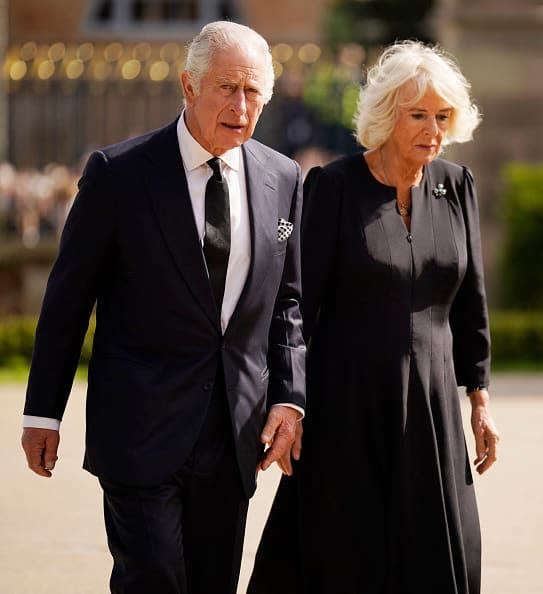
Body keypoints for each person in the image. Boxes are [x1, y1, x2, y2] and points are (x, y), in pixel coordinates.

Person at [21, 21, 306, 594]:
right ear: (188, 85)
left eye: (253, 92)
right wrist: (42, 412)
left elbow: (287, 302)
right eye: (227, 87)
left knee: (213, 583)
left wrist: (289, 397)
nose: (241, 105)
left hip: (233, 433)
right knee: (151, 579)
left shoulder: (283, 177)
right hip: (138, 430)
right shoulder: (119, 174)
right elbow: (68, 299)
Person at [248, 40, 500, 594]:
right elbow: (296, 305)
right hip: (346, 407)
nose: (432, 129)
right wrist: (290, 403)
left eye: (441, 116)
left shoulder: (456, 186)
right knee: (343, 556)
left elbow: (470, 301)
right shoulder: (333, 187)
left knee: (436, 551)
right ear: (387, 115)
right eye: (418, 115)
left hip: (433, 408)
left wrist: (478, 398)